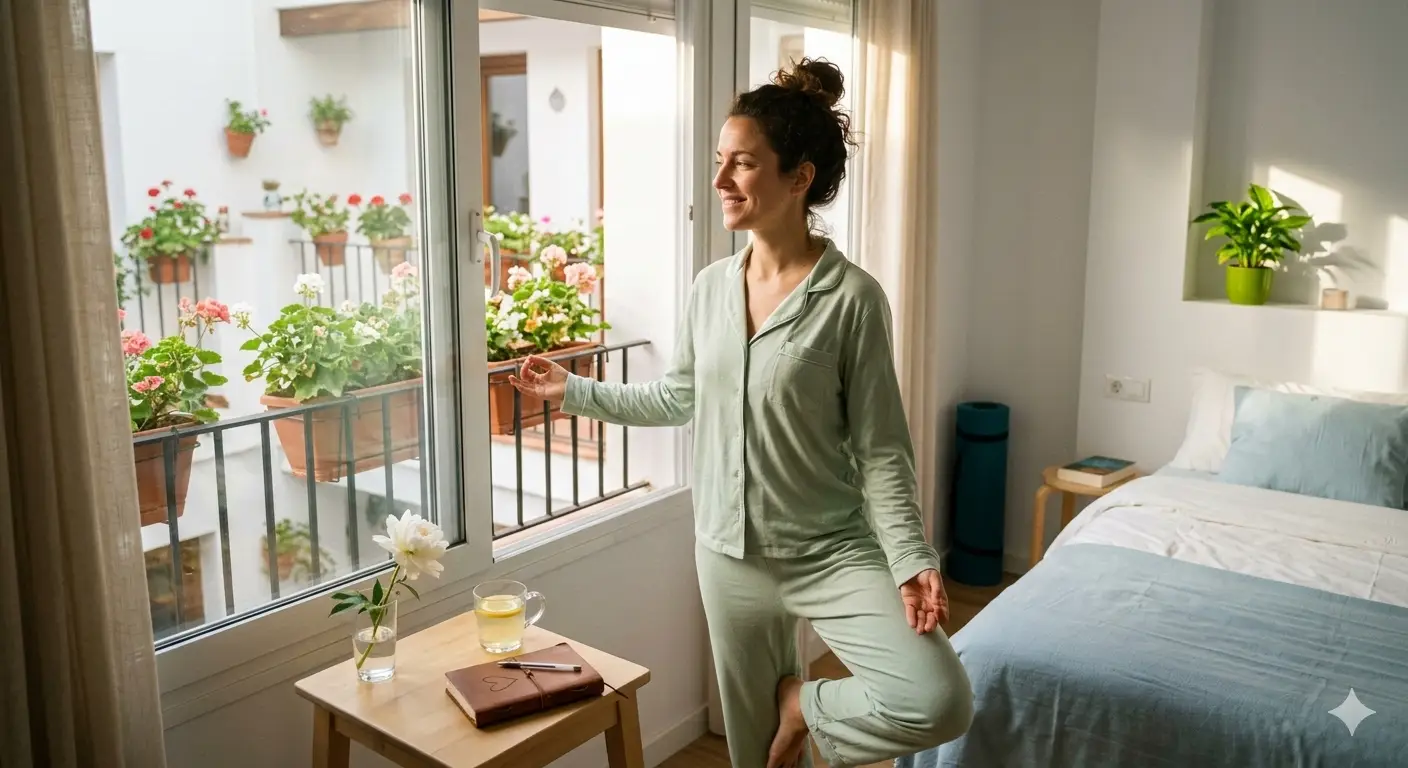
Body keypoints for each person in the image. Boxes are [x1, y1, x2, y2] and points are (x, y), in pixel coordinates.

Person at [507, 58, 973, 768]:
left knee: (938, 697)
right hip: (728, 555)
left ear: (799, 177)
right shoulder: (708, 290)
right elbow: (679, 398)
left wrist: (910, 558)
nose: (721, 181)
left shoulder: (852, 300)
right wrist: (571, 391)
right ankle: (782, 723)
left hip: (831, 547)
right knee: (755, 756)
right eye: (719, 162)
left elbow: (882, 448)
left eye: (742, 164)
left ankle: (804, 706)